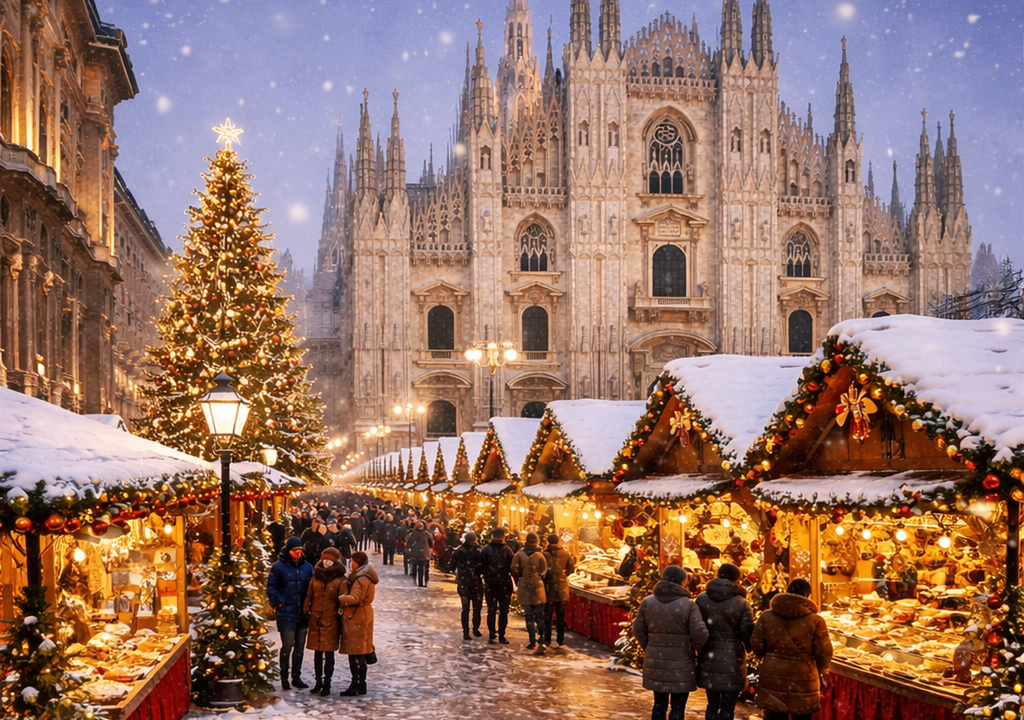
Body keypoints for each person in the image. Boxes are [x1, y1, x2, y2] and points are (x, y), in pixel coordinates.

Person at [751, 578, 833, 720]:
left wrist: (766, 655)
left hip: (773, 673)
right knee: (802, 715)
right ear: (807, 595)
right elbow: (824, 651)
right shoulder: (816, 621)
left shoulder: (767, 616)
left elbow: (756, 642)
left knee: (775, 714)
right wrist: (820, 668)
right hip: (803, 676)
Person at [632, 566, 709, 720]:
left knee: (659, 703)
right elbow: (700, 633)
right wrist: (695, 648)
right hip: (681, 661)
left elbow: (638, 628)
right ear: (683, 581)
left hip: (656, 661)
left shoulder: (648, 602)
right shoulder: (689, 605)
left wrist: (649, 646)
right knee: (678, 706)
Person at [696, 563, 755, 720]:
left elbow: (696, 627)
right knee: (728, 706)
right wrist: (750, 647)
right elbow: (746, 631)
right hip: (732, 658)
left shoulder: (702, 599)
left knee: (712, 704)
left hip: (708, 656)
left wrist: (697, 647)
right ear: (737, 579)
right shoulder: (742, 603)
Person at [267, 536, 314, 690]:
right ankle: (284, 677)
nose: (298, 553)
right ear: (289, 551)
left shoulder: (307, 567)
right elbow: (271, 587)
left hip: (302, 612)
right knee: (288, 645)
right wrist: (279, 601)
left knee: (300, 646)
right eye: (295, 550)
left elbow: (312, 587)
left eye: (300, 550)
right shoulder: (278, 567)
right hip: (286, 611)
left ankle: (296, 676)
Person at [303, 546, 345, 696]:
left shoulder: (340, 579)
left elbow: (342, 600)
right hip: (316, 619)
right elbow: (310, 595)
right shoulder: (316, 577)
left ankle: (327, 683)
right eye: (325, 560)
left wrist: (338, 613)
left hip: (331, 620)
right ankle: (318, 682)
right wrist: (306, 608)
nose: (327, 563)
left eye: (330, 560)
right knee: (317, 654)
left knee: (328, 654)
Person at [337, 550, 379, 697]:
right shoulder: (366, 577)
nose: (351, 563)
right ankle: (361, 684)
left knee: (355, 654)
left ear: (358, 562)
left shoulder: (360, 579)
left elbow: (355, 598)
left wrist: (342, 598)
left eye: (353, 560)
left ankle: (356, 684)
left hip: (356, 617)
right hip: (364, 616)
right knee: (360, 652)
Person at [511, 532, 549, 654]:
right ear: (536, 542)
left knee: (528, 615)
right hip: (538, 586)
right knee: (539, 615)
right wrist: (538, 576)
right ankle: (541, 639)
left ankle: (532, 640)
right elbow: (544, 570)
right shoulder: (539, 555)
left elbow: (513, 568)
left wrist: (521, 575)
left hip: (524, 586)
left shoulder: (519, 555)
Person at [480, 527, 516, 644]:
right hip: (504, 583)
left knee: (491, 609)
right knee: (504, 610)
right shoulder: (508, 550)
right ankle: (501, 635)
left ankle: (491, 634)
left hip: (490, 583)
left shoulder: (486, 550)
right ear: (503, 536)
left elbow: (481, 567)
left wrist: (486, 575)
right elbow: (513, 568)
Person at [449, 531, 485, 640]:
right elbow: (484, 566)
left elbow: (451, 566)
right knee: (477, 607)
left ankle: (466, 632)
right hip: (476, 582)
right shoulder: (480, 551)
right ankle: (476, 628)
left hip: (463, 582)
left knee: (465, 608)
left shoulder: (459, 550)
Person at [542, 533, 575, 648]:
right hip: (562, 587)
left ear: (547, 541)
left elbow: (539, 570)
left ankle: (547, 639)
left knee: (548, 615)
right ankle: (560, 639)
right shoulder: (566, 554)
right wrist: (562, 575)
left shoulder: (543, 555)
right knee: (561, 615)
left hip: (548, 588)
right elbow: (571, 569)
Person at [405, 521, 433, 587]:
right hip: (425, 554)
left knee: (416, 567)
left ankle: (416, 580)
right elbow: (431, 544)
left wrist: (409, 551)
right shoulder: (427, 534)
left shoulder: (412, 534)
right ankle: (425, 581)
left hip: (415, 554)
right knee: (426, 569)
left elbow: (408, 544)